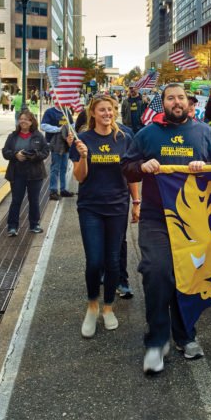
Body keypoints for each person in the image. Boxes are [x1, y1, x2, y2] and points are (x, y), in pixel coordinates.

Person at [121, 83, 211, 374]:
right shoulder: (147, 134)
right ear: (163, 104)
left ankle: (185, 335)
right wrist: (142, 166)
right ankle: (156, 343)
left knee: (187, 277)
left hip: (193, 221)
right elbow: (126, 166)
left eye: (181, 97)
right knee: (157, 272)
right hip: (156, 217)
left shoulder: (204, 132)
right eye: (171, 98)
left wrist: (206, 166)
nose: (177, 102)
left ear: (189, 103)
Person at [69, 96, 139, 339]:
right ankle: (92, 307)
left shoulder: (124, 139)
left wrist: (136, 203)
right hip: (91, 207)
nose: (107, 113)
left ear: (115, 112)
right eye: (102, 110)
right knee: (94, 261)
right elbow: (79, 177)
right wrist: (84, 157)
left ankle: (108, 308)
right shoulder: (82, 139)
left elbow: (130, 174)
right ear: (93, 113)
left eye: (110, 110)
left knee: (112, 261)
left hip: (118, 206)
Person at [2, 111, 51, 236]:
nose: (24, 121)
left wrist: (35, 156)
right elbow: (5, 152)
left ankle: (34, 225)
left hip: (35, 174)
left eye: (27, 119)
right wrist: (15, 155)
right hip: (17, 173)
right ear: (19, 121)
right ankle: (12, 227)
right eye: (22, 119)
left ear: (31, 122)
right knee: (16, 200)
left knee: (34, 200)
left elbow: (46, 151)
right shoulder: (12, 136)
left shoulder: (38, 136)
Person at [42, 104, 74, 201]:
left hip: (65, 143)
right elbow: (43, 126)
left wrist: (70, 131)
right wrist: (58, 129)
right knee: (55, 168)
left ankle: (63, 189)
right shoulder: (50, 112)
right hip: (55, 143)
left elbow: (72, 125)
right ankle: (53, 190)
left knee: (64, 167)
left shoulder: (67, 112)